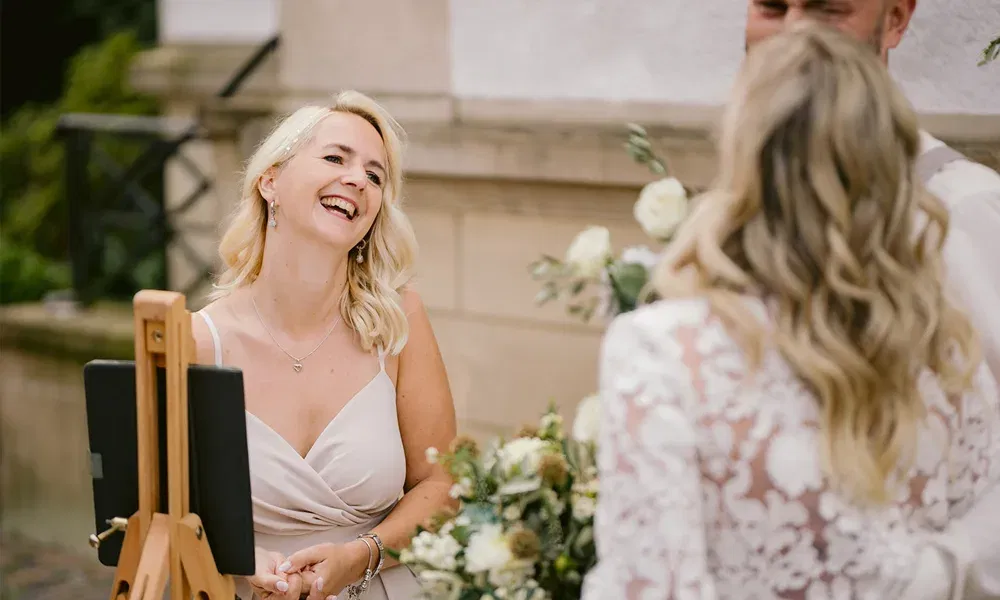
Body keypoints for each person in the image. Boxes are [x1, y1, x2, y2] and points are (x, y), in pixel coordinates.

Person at [582, 22, 1000, 600]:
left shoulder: (665, 351)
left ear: (743, 155)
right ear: (890, 164)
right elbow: (983, 539)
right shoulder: (945, 348)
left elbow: (654, 587)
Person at [748, 3, 1000, 596]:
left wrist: (932, 574)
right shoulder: (737, 217)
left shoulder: (965, 212)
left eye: (826, 9)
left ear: (895, 20)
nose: (792, 35)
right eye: (771, 7)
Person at [192, 90, 457, 600]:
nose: (358, 178)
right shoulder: (200, 342)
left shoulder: (399, 323)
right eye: (335, 157)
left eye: (375, 175)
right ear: (270, 181)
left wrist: (362, 555)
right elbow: (159, 507)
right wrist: (240, 558)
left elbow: (441, 486)